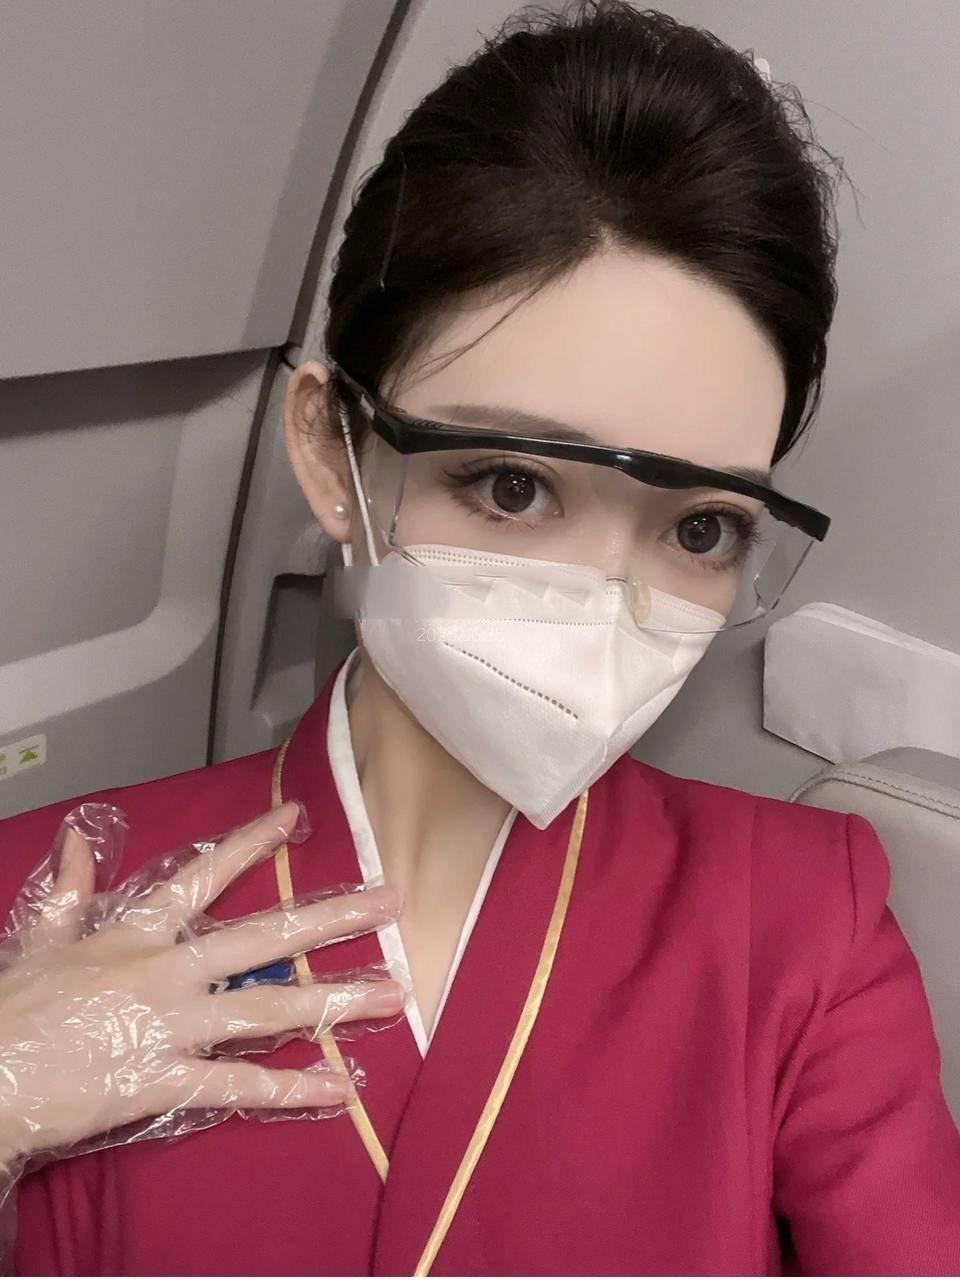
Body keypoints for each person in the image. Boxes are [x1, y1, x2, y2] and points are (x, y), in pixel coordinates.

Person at [1, 1, 958, 1274]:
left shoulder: (800, 920)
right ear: (331, 452)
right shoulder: (44, 901)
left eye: (702, 527)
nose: (604, 601)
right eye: (514, 486)